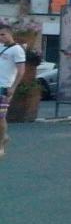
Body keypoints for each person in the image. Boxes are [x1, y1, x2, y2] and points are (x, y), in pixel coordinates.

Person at [0, 24, 26, 158]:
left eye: (3, 34)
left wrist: (13, 87)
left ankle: (2, 143)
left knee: (1, 117)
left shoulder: (17, 50)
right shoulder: (0, 47)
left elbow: (21, 71)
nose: (1, 37)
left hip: (4, 87)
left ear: (10, 34)